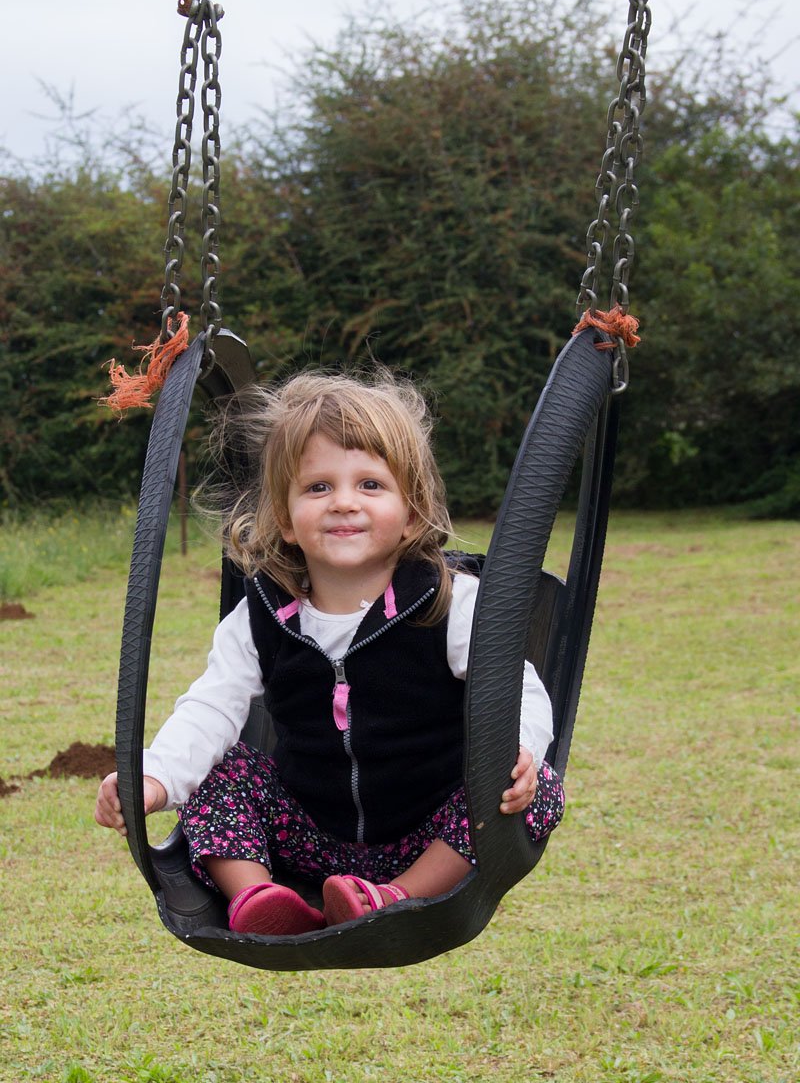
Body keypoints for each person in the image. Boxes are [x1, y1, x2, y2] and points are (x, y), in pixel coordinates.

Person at [95, 370, 564, 936]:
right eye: (318, 487)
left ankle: (395, 898)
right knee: (218, 772)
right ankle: (257, 897)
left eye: (370, 485)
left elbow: (518, 690)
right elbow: (209, 708)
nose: (344, 503)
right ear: (286, 519)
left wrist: (521, 751)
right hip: (306, 833)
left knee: (535, 793)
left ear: (412, 512)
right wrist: (156, 777)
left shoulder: (451, 605)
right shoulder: (260, 618)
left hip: (430, 833)